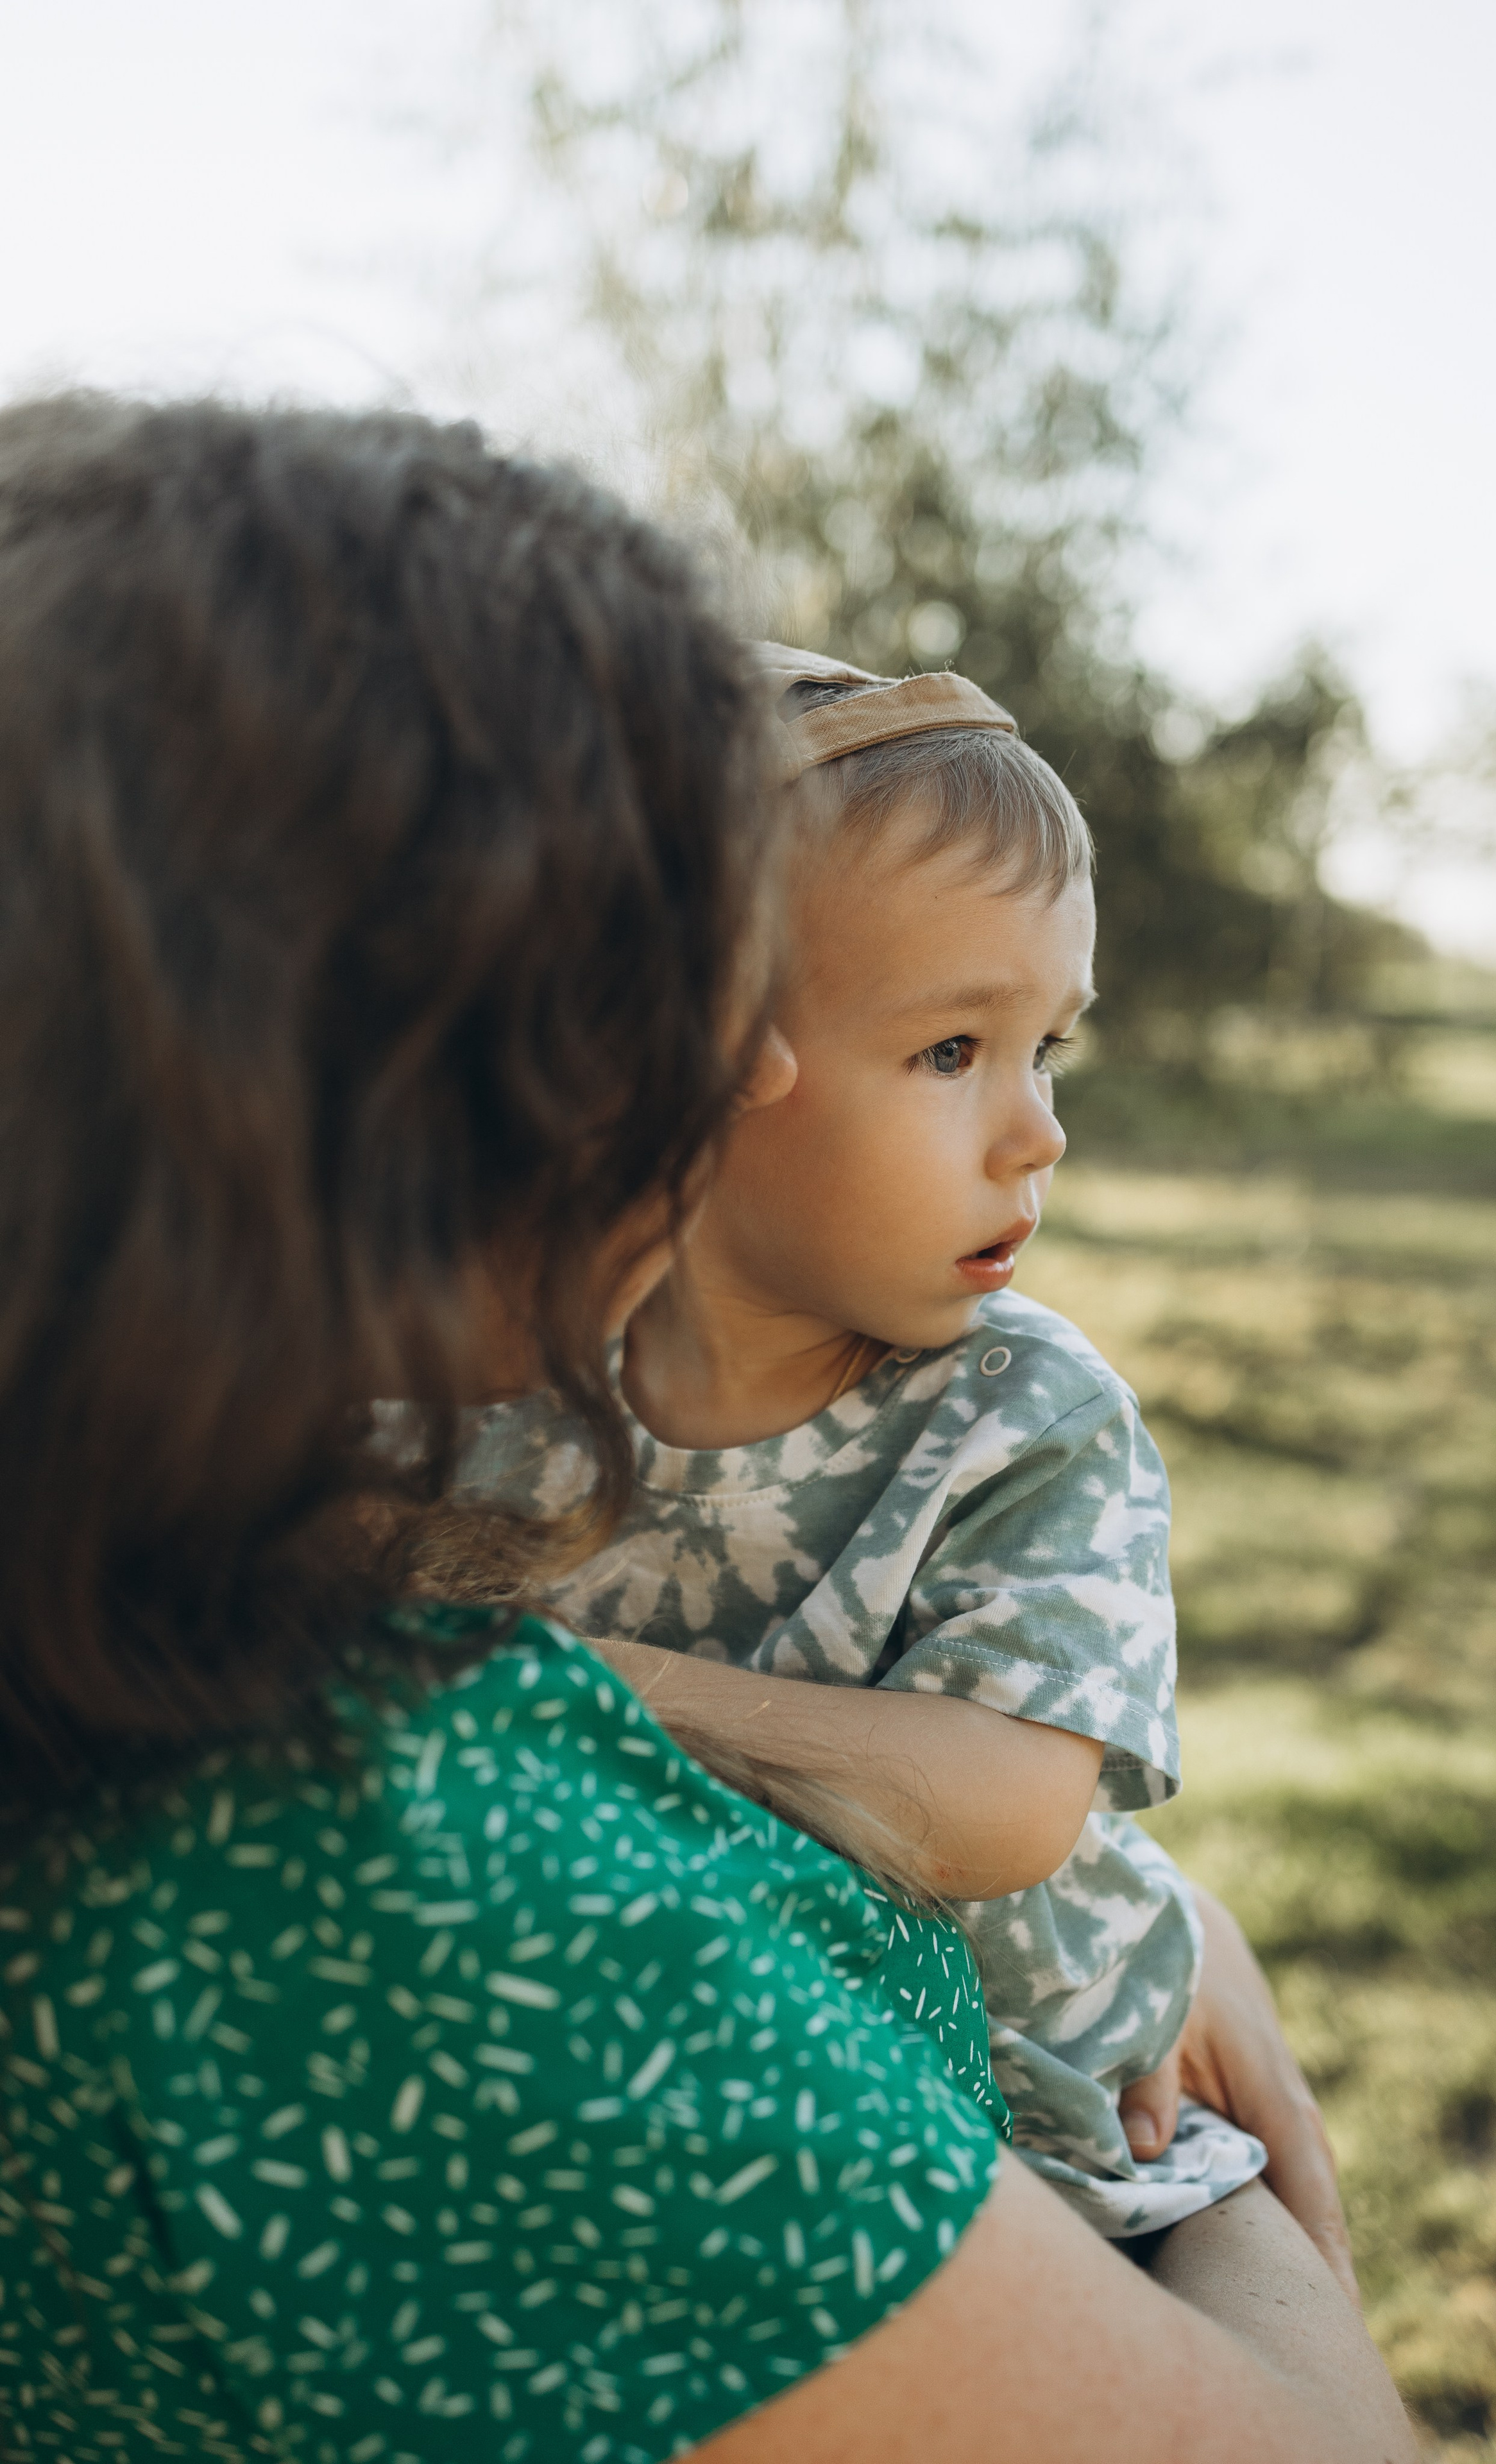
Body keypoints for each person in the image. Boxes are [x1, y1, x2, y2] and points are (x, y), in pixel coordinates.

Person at [0, 392, 1412, 2463]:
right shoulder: (409, 1872)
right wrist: (1241, 2192)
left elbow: (1013, 1819)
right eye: (639, 1007)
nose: (691, 1081)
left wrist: (1151, 1924)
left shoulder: (159, 1594)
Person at [457, 646, 1261, 2241]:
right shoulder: (497, 1384)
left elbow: (1001, 1805)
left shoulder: (1020, 1417)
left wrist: (569, 1696)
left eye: (1051, 1049)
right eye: (951, 1052)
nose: (1038, 1130)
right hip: (691, 2091)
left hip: (1040, 2132)